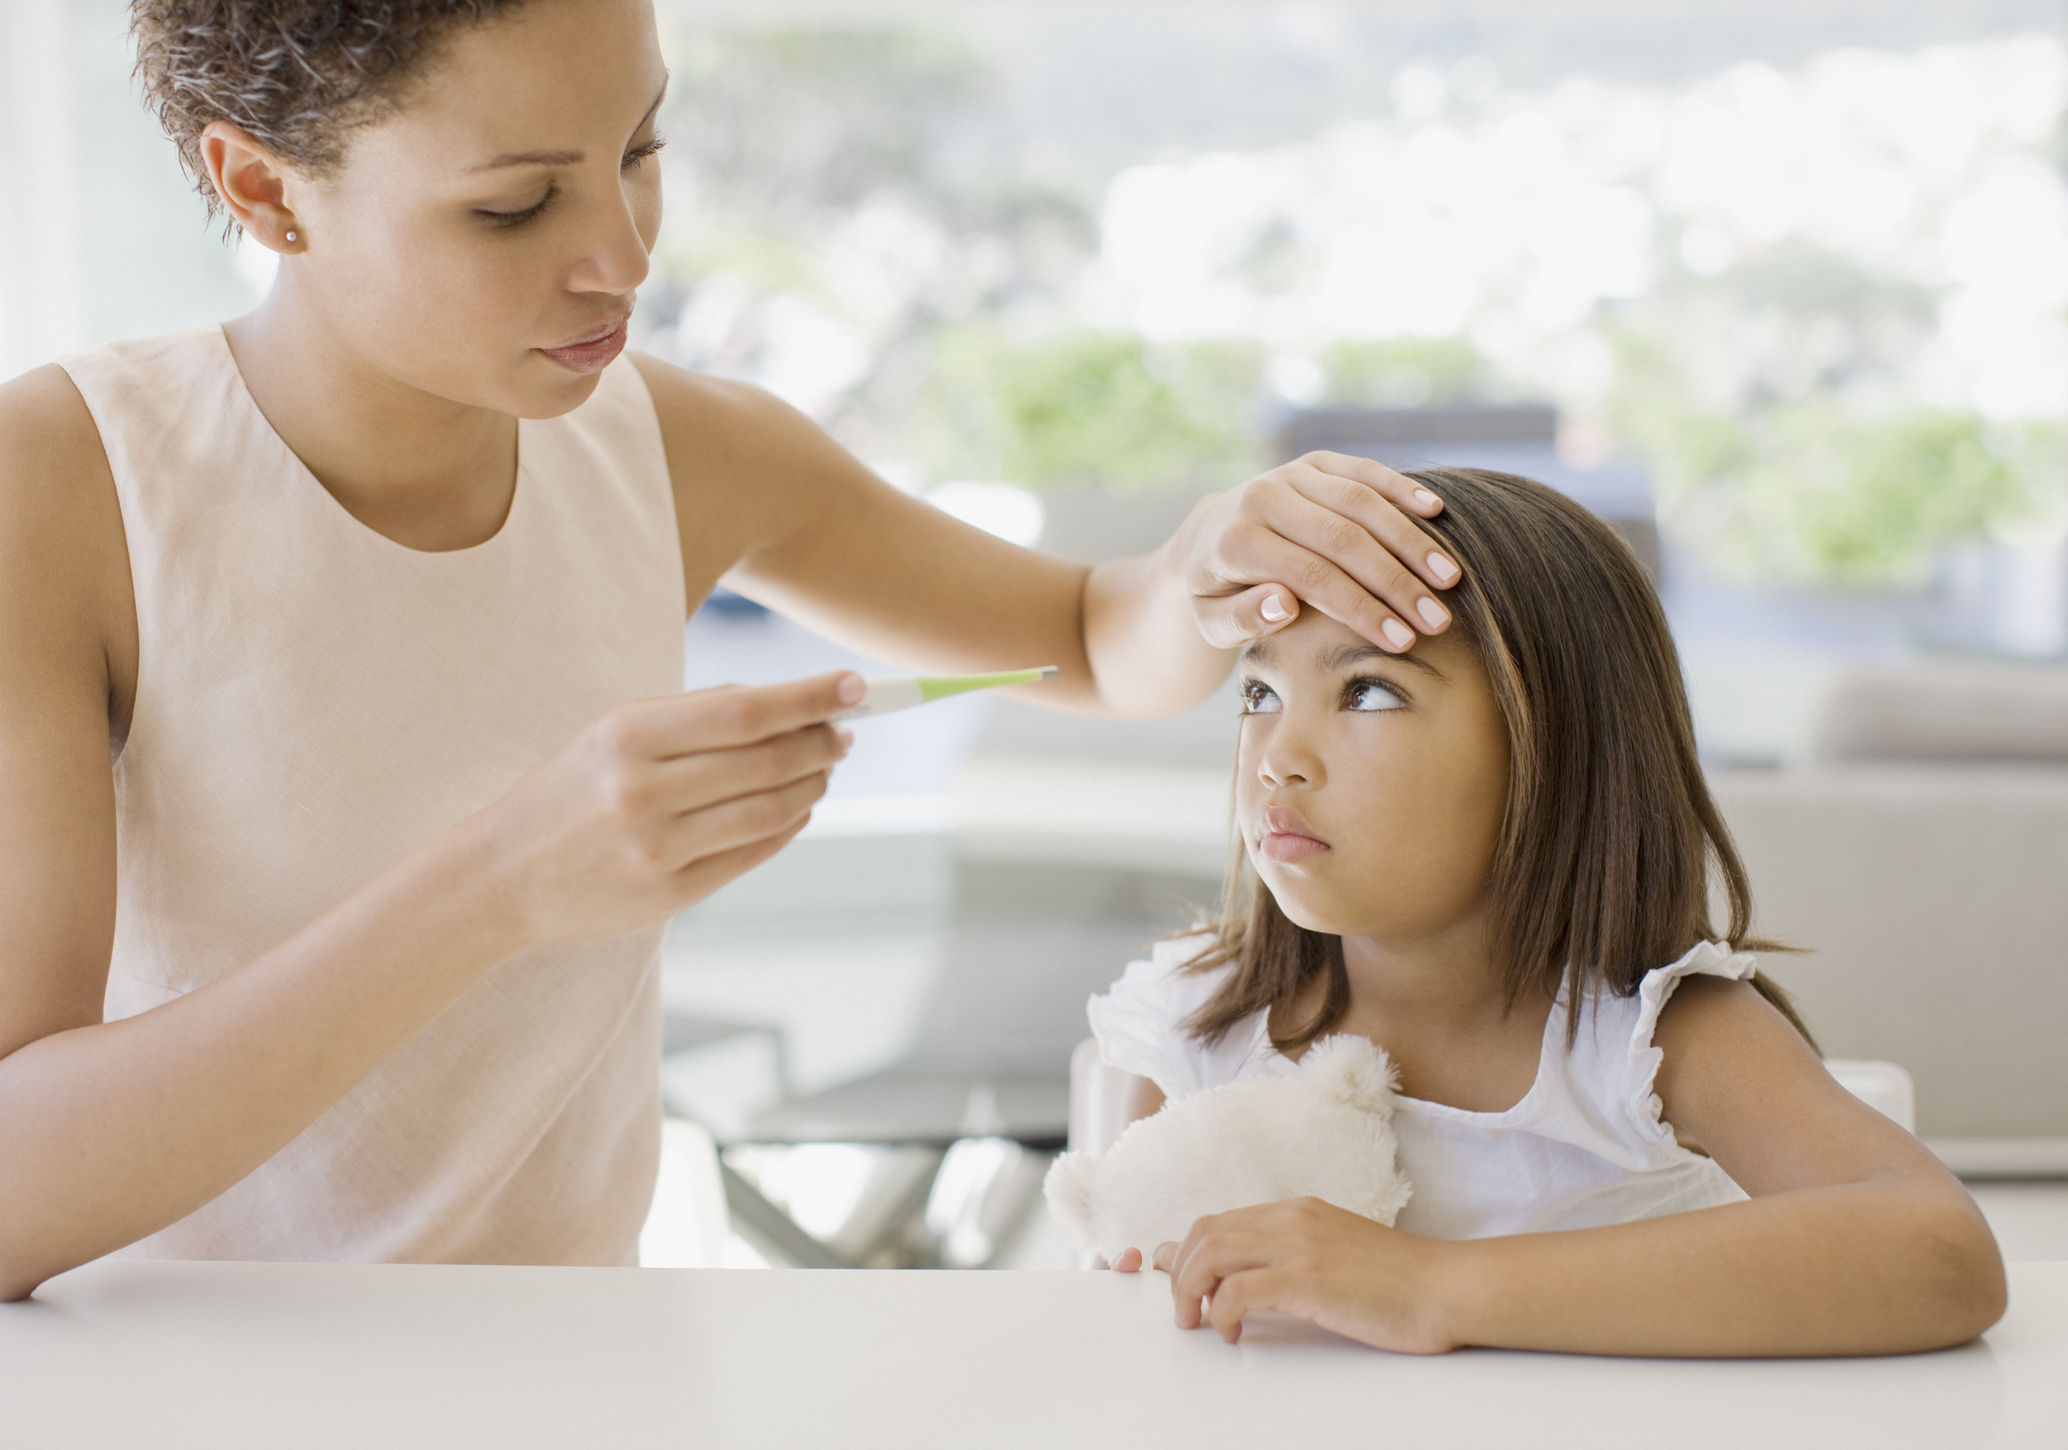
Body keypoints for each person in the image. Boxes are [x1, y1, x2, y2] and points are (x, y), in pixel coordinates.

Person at [0, 0, 1464, 1300]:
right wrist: (505, 880)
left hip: (581, 1369)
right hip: (167, 1383)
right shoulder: (66, 490)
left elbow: (1085, 636)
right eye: (513, 208)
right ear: (263, 187)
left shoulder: (675, 448)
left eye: (639, 151)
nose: (620, 260)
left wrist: (1202, 569)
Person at [1094, 466, 2007, 1356]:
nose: (1276, 759)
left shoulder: (1651, 1036)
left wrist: (1427, 1287)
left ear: (1557, 748)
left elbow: (1939, 1252)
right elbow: (1129, 1338)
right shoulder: (1193, 1019)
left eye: (1368, 691)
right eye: (1260, 693)